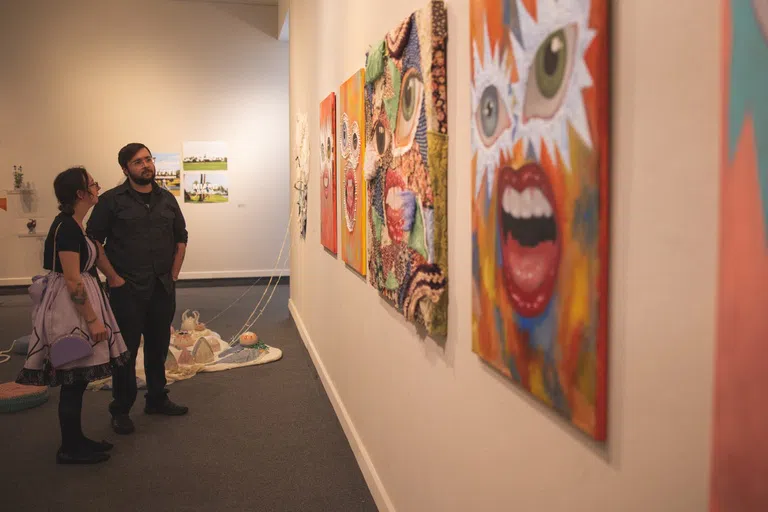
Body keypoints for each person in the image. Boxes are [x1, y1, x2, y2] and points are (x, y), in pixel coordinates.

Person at [16, 167, 131, 464]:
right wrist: (93, 320)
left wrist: (114, 280)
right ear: (81, 194)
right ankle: (69, 448)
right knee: (72, 378)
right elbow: (72, 279)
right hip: (70, 310)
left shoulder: (75, 225)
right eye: (92, 184)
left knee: (77, 380)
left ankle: (76, 439)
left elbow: (90, 265)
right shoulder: (66, 228)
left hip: (77, 303)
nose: (97, 187)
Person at [87, 142, 189, 436]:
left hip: (161, 287)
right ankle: (120, 409)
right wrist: (114, 278)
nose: (146, 165)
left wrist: (174, 274)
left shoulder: (167, 199)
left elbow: (181, 237)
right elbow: (94, 242)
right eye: (137, 162)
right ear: (125, 169)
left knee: (157, 348)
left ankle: (157, 398)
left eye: (148, 159)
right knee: (125, 353)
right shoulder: (111, 201)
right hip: (127, 290)